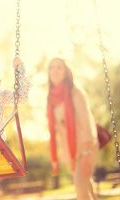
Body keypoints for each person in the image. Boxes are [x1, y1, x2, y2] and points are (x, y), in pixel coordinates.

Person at [46, 57, 99, 200]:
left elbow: (87, 124)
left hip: (86, 145)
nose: (55, 70)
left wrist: (87, 152)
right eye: (52, 67)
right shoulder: (51, 99)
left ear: (66, 72)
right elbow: (56, 131)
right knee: (85, 184)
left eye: (59, 67)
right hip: (71, 150)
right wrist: (58, 155)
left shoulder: (75, 93)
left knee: (80, 186)